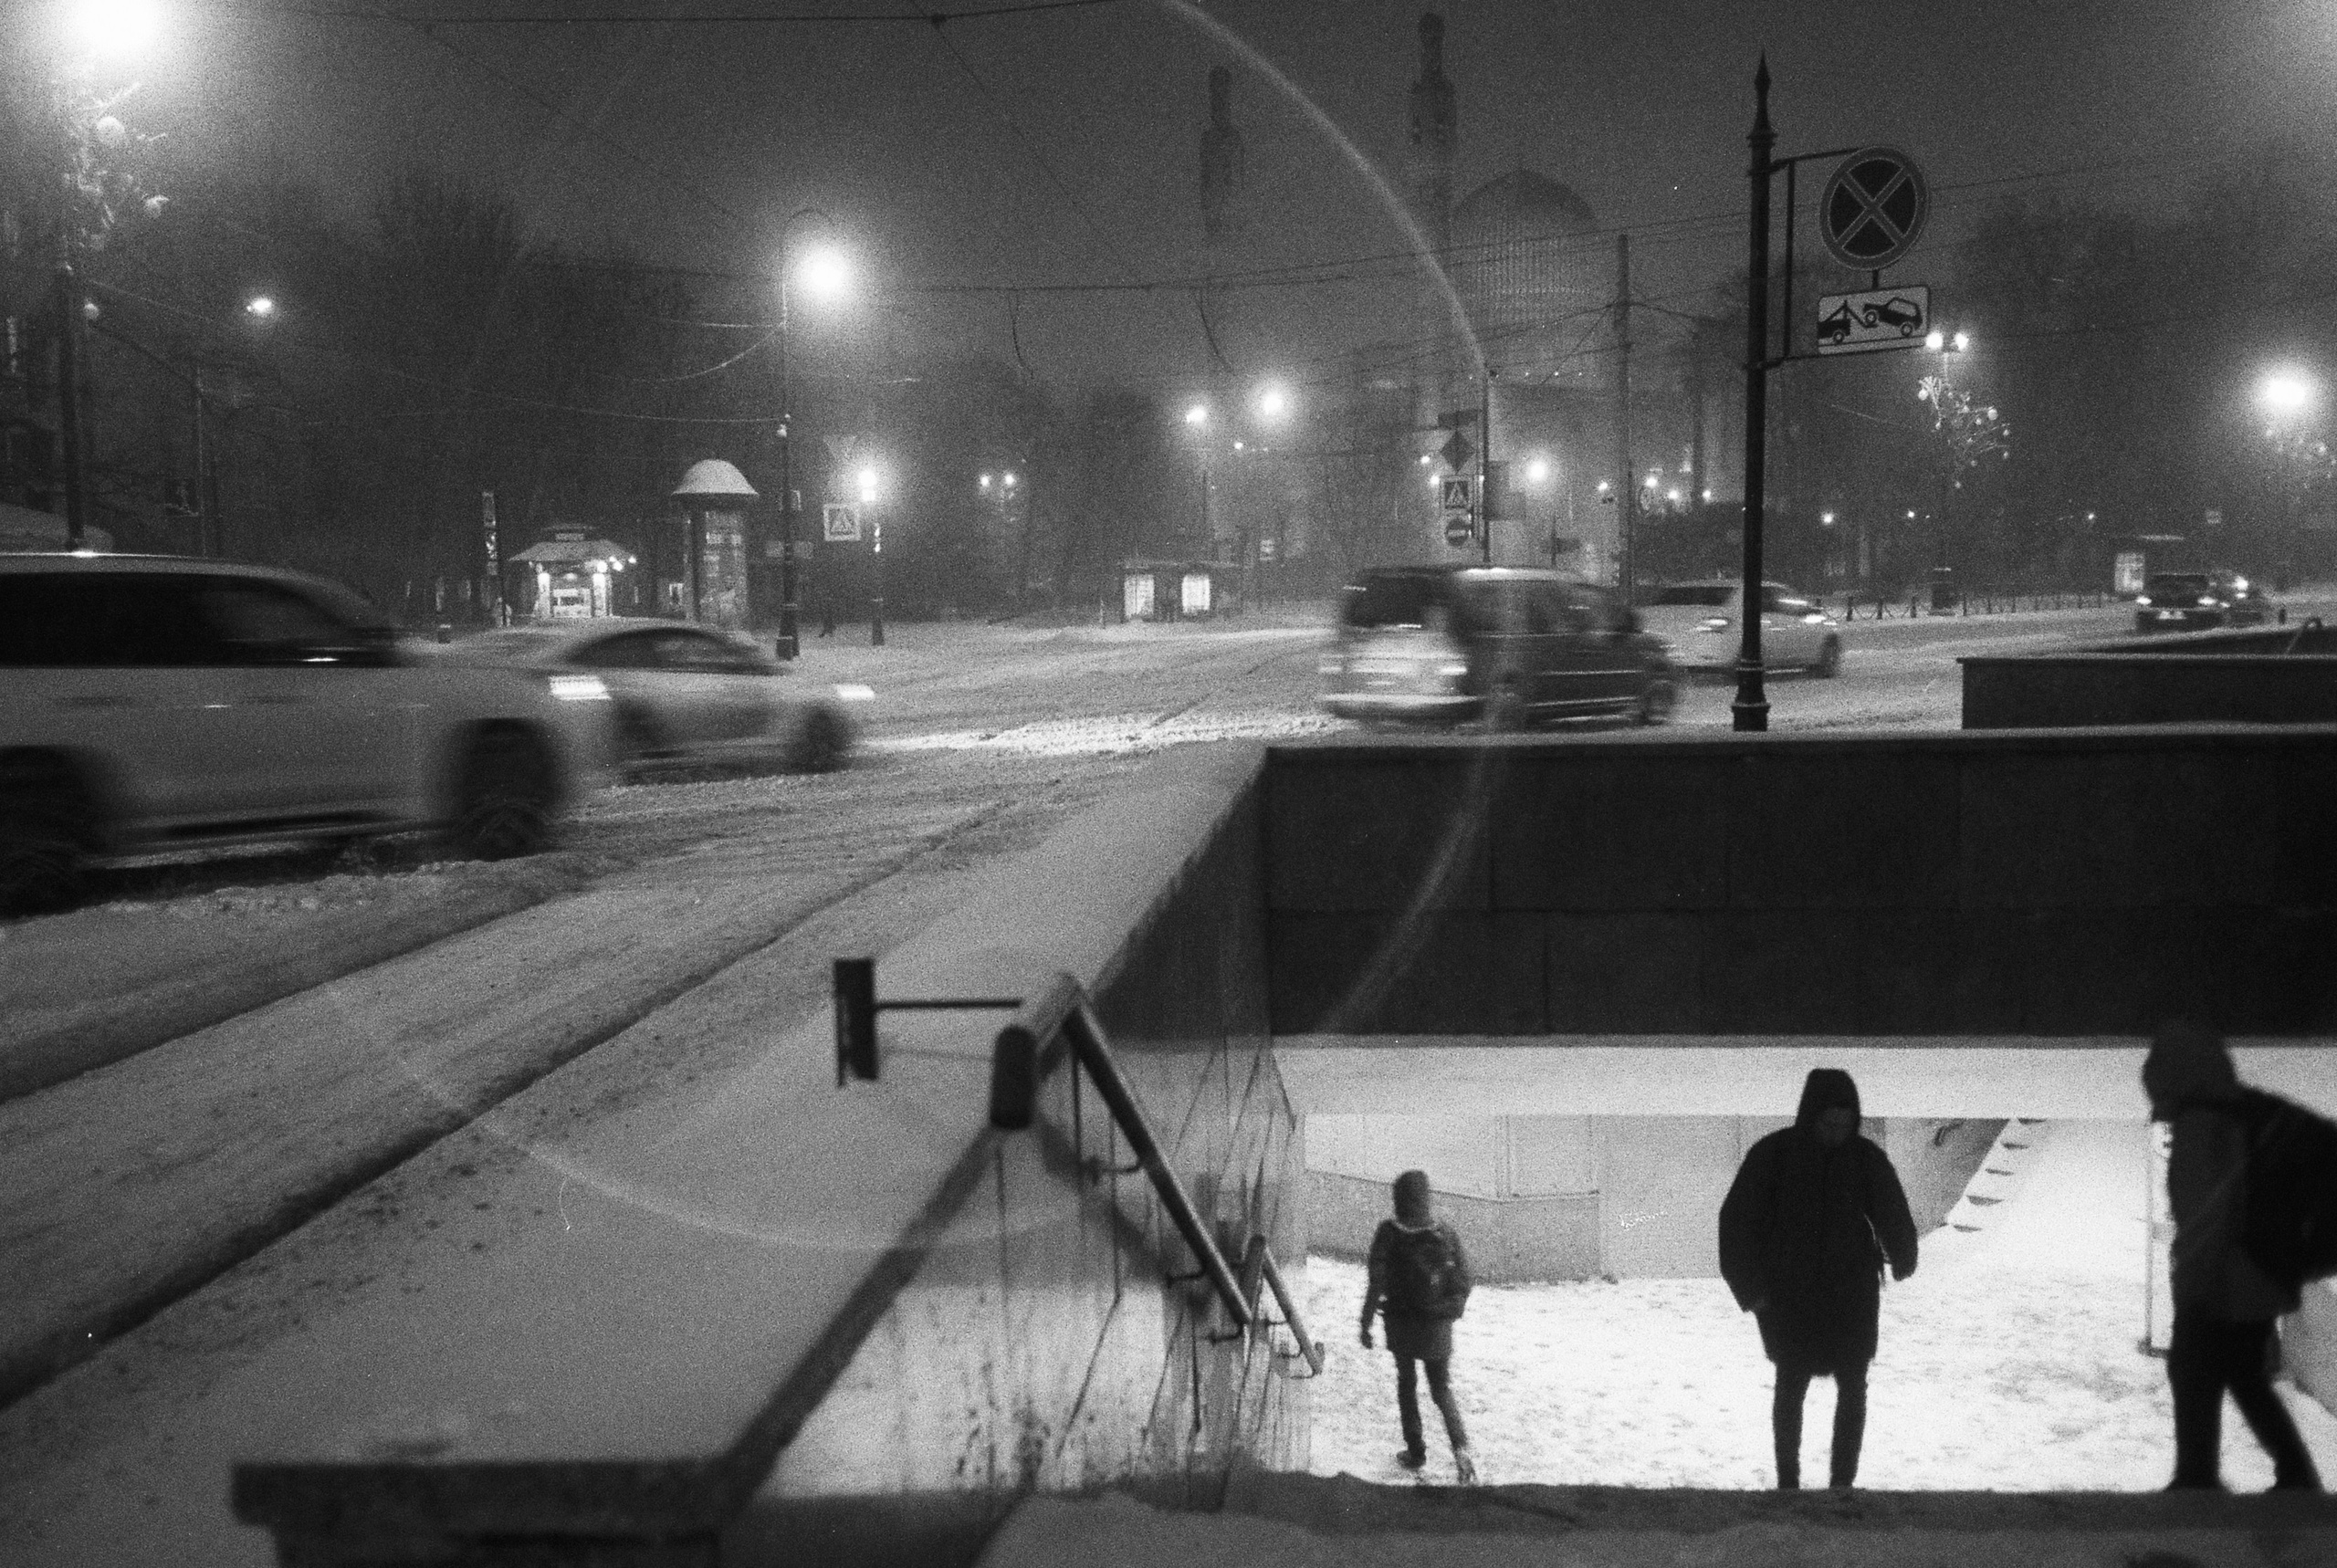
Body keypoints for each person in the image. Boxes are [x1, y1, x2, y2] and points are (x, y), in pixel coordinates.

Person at [2143, 1020, 2323, 1491]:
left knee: (2192, 1370)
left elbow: (2208, 1215)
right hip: (2254, 1276)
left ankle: (2197, 1478)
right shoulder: (2236, 1113)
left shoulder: (2205, 1124)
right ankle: (2292, 1475)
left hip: (2227, 1279)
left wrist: (2196, 1287)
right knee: (2243, 1376)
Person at [1718, 1068, 1918, 1490]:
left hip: (1852, 1294)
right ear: (1810, 1116)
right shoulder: (1773, 1156)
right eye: (1828, 1124)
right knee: (1791, 1382)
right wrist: (1750, 1289)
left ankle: (1842, 1484)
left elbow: (1890, 1208)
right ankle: (1788, 1483)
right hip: (1791, 1296)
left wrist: (1903, 1254)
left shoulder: (1865, 1158)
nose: (1837, 1134)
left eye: (1845, 1125)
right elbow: (1737, 1222)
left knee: (1853, 1385)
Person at [1359, 1169, 1478, 1483]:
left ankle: (1416, 1451)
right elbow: (1464, 1281)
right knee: (1441, 1389)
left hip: (1401, 1326)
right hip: (1438, 1328)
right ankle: (1462, 1451)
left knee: (1407, 1384)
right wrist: (1450, 1311)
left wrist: (1366, 1322)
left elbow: (1377, 1281)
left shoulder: (1389, 1233)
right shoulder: (1446, 1234)